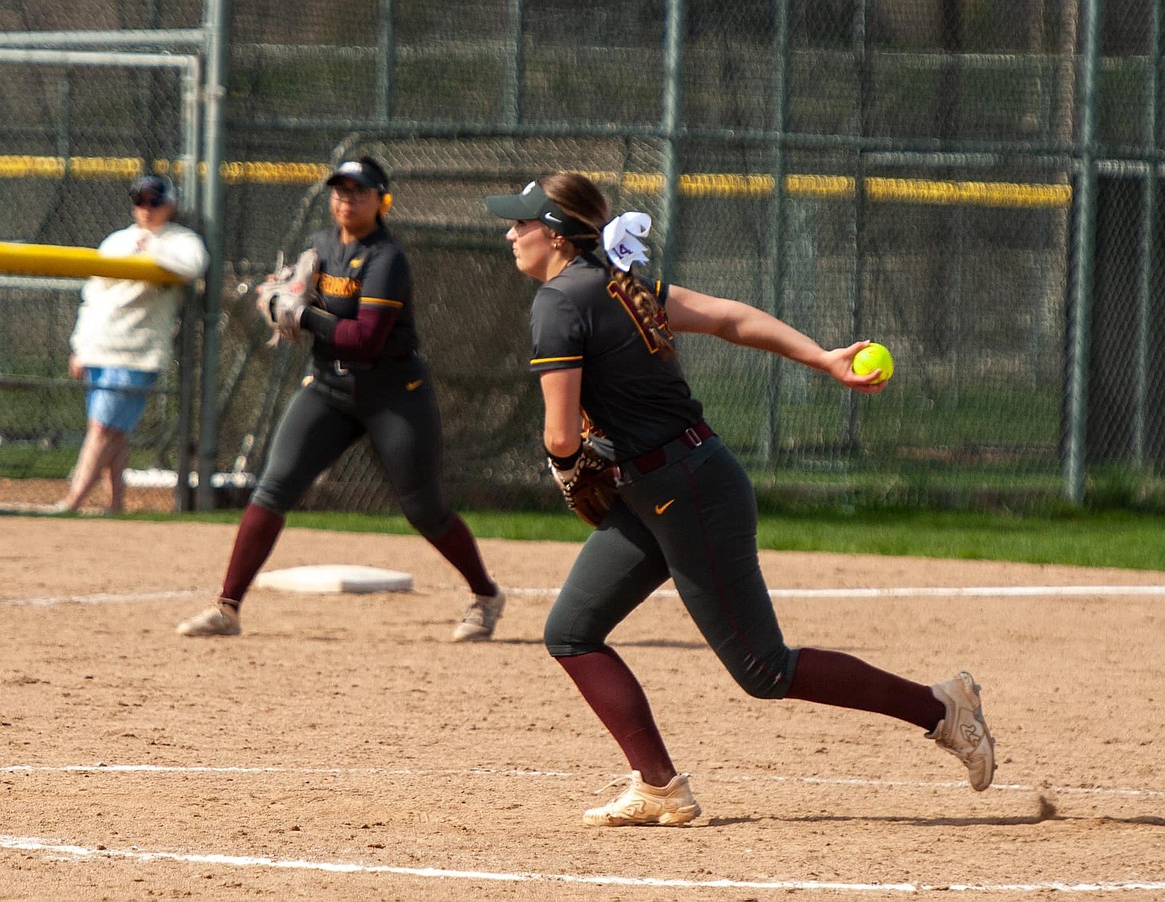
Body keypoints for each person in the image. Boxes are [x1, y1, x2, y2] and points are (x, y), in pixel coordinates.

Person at [485, 173, 996, 827]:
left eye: (521, 222)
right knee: (571, 632)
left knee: (762, 667)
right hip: (663, 485)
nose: (511, 233)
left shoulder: (560, 302)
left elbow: (560, 433)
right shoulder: (623, 287)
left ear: (554, 233)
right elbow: (730, 317)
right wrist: (823, 359)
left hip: (685, 490)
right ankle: (659, 787)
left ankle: (941, 708)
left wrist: (564, 471)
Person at [176, 157, 504, 641]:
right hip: (330, 387)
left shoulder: (386, 258)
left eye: (359, 191)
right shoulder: (323, 244)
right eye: (340, 190)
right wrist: (286, 293)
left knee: (424, 509)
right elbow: (302, 300)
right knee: (272, 490)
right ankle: (227, 608)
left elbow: (366, 338)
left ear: (381, 199)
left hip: (394, 393)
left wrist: (301, 314)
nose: (347, 200)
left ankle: (485, 594)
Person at [55, 174, 209, 514]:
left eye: (154, 200)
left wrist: (150, 250)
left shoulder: (182, 241)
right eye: (140, 200)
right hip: (98, 345)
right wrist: (79, 346)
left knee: (103, 429)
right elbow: (91, 298)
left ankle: (72, 502)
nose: (146, 208)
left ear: (170, 204)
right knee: (115, 432)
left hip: (137, 354)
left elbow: (193, 265)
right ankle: (116, 505)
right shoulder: (116, 241)